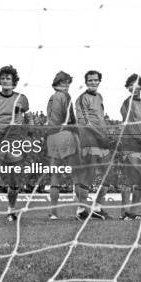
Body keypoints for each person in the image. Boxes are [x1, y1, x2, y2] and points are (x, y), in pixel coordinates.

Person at [0, 65, 30, 224]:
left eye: (8, 78)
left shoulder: (22, 98)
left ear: (14, 82)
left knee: (14, 181)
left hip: (14, 141)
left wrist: (28, 135)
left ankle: (11, 210)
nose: (5, 80)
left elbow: (29, 119)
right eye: (3, 78)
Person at [45, 71, 82, 220]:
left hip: (52, 137)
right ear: (60, 83)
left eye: (68, 83)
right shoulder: (66, 96)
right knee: (76, 174)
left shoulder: (51, 98)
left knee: (55, 176)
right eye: (65, 82)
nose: (67, 85)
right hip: (65, 135)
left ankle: (53, 213)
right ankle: (81, 210)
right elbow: (70, 119)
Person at [75, 70, 112, 220]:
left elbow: (100, 119)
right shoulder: (81, 99)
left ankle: (97, 207)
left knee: (108, 175)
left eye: (95, 80)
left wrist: (106, 135)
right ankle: (81, 210)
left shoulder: (100, 97)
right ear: (86, 82)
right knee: (89, 175)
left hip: (102, 140)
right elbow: (85, 122)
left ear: (99, 81)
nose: (93, 82)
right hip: (90, 140)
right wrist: (100, 136)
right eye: (90, 80)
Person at [118, 74, 141, 220]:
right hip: (131, 143)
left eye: (138, 85)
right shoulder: (126, 104)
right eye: (132, 85)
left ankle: (133, 212)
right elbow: (129, 124)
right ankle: (125, 212)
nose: (135, 88)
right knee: (131, 177)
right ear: (128, 88)